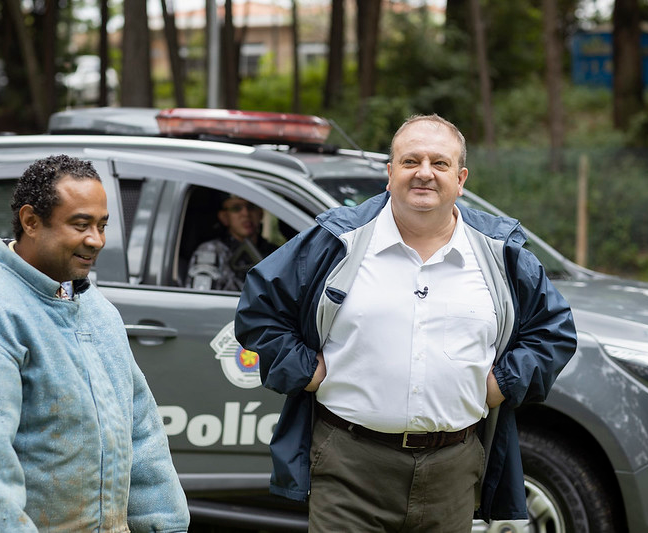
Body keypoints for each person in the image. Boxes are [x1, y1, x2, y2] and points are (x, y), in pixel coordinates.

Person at [235, 115, 577, 532]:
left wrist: (505, 382)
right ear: (390, 172)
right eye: (410, 161)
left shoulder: (499, 253)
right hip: (349, 467)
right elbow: (258, 308)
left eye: (440, 163)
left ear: (461, 177)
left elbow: (553, 330)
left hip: (453, 471)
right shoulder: (337, 242)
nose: (424, 174)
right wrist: (303, 370)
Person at [0, 155, 190, 533]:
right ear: (30, 221)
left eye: (102, 225)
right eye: (81, 225)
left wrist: (167, 526)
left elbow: (141, 436)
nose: (96, 240)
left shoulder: (96, 309)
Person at [186, 193, 277, 291]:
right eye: (236, 208)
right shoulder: (211, 251)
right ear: (224, 217)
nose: (246, 213)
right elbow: (201, 300)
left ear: (261, 213)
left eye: (251, 207)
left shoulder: (277, 254)